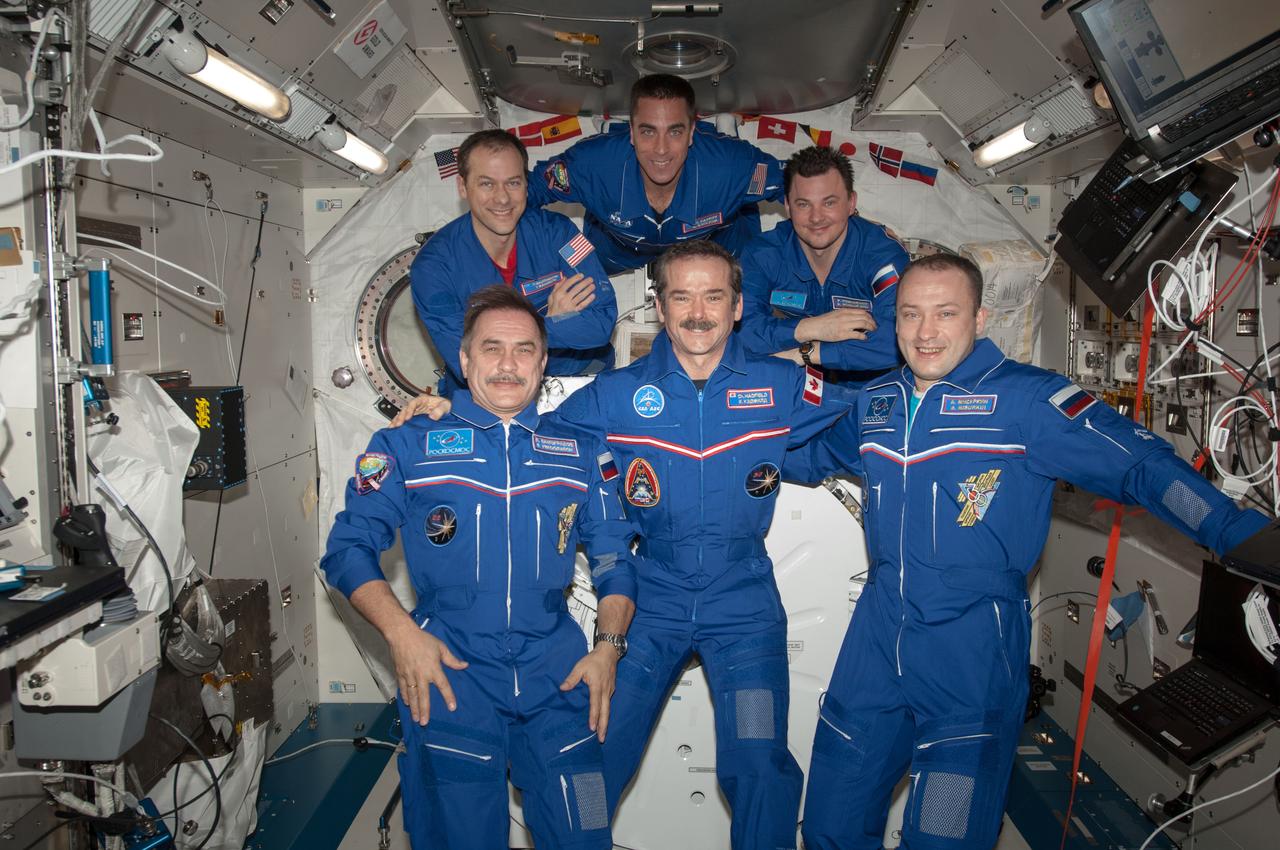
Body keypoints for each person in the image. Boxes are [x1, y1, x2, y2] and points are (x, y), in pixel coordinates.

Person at [785, 253, 1271, 850]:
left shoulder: (1028, 402)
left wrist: (1236, 534)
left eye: (945, 312)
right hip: (876, 642)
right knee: (831, 822)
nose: (925, 331)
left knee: (942, 835)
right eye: (910, 314)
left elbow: (1141, 465)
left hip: (971, 652)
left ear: (980, 317)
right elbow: (801, 456)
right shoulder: (877, 402)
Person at [392, 241, 852, 850]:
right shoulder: (618, 393)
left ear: (738, 306)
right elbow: (527, 429)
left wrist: (804, 456)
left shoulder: (781, 385)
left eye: (713, 295)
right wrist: (448, 409)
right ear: (659, 307)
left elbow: (865, 423)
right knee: (594, 754)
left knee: (760, 760)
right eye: (681, 296)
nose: (697, 312)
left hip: (742, 602)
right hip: (650, 599)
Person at [321, 285, 638, 850]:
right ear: (464, 361)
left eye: (524, 350)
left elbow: (614, 557)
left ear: (543, 362)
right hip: (449, 674)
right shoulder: (407, 445)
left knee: (586, 835)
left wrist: (608, 648)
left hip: (560, 676)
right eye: (491, 349)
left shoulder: (581, 451)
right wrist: (401, 636)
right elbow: (346, 551)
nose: (508, 365)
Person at [410, 129, 617, 395]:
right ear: (463, 186)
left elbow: (601, 323)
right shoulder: (433, 267)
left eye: (513, 183)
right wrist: (545, 322)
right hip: (484, 394)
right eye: (487, 184)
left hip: (573, 375)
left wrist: (495, 342)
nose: (503, 198)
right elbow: (465, 361)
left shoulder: (559, 234)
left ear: (526, 185)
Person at [527, 74, 785, 274]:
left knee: (743, 271)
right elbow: (532, 189)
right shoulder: (591, 166)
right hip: (619, 250)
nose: (661, 150)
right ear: (631, 131)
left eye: (675, 131)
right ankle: (609, 129)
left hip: (713, 246)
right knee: (590, 270)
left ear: (691, 132)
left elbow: (794, 184)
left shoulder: (731, 166)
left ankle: (726, 129)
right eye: (648, 131)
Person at [738, 145, 908, 382]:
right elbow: (740, 331)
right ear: (787, 206)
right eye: (803, 204)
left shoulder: (881, 255)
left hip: (863, 378)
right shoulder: (763, 255)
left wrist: (807, 353)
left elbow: (900, 339)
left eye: (829, 203)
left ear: (851, 203)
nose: (816, 218)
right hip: (792, 378)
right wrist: (811, 328)